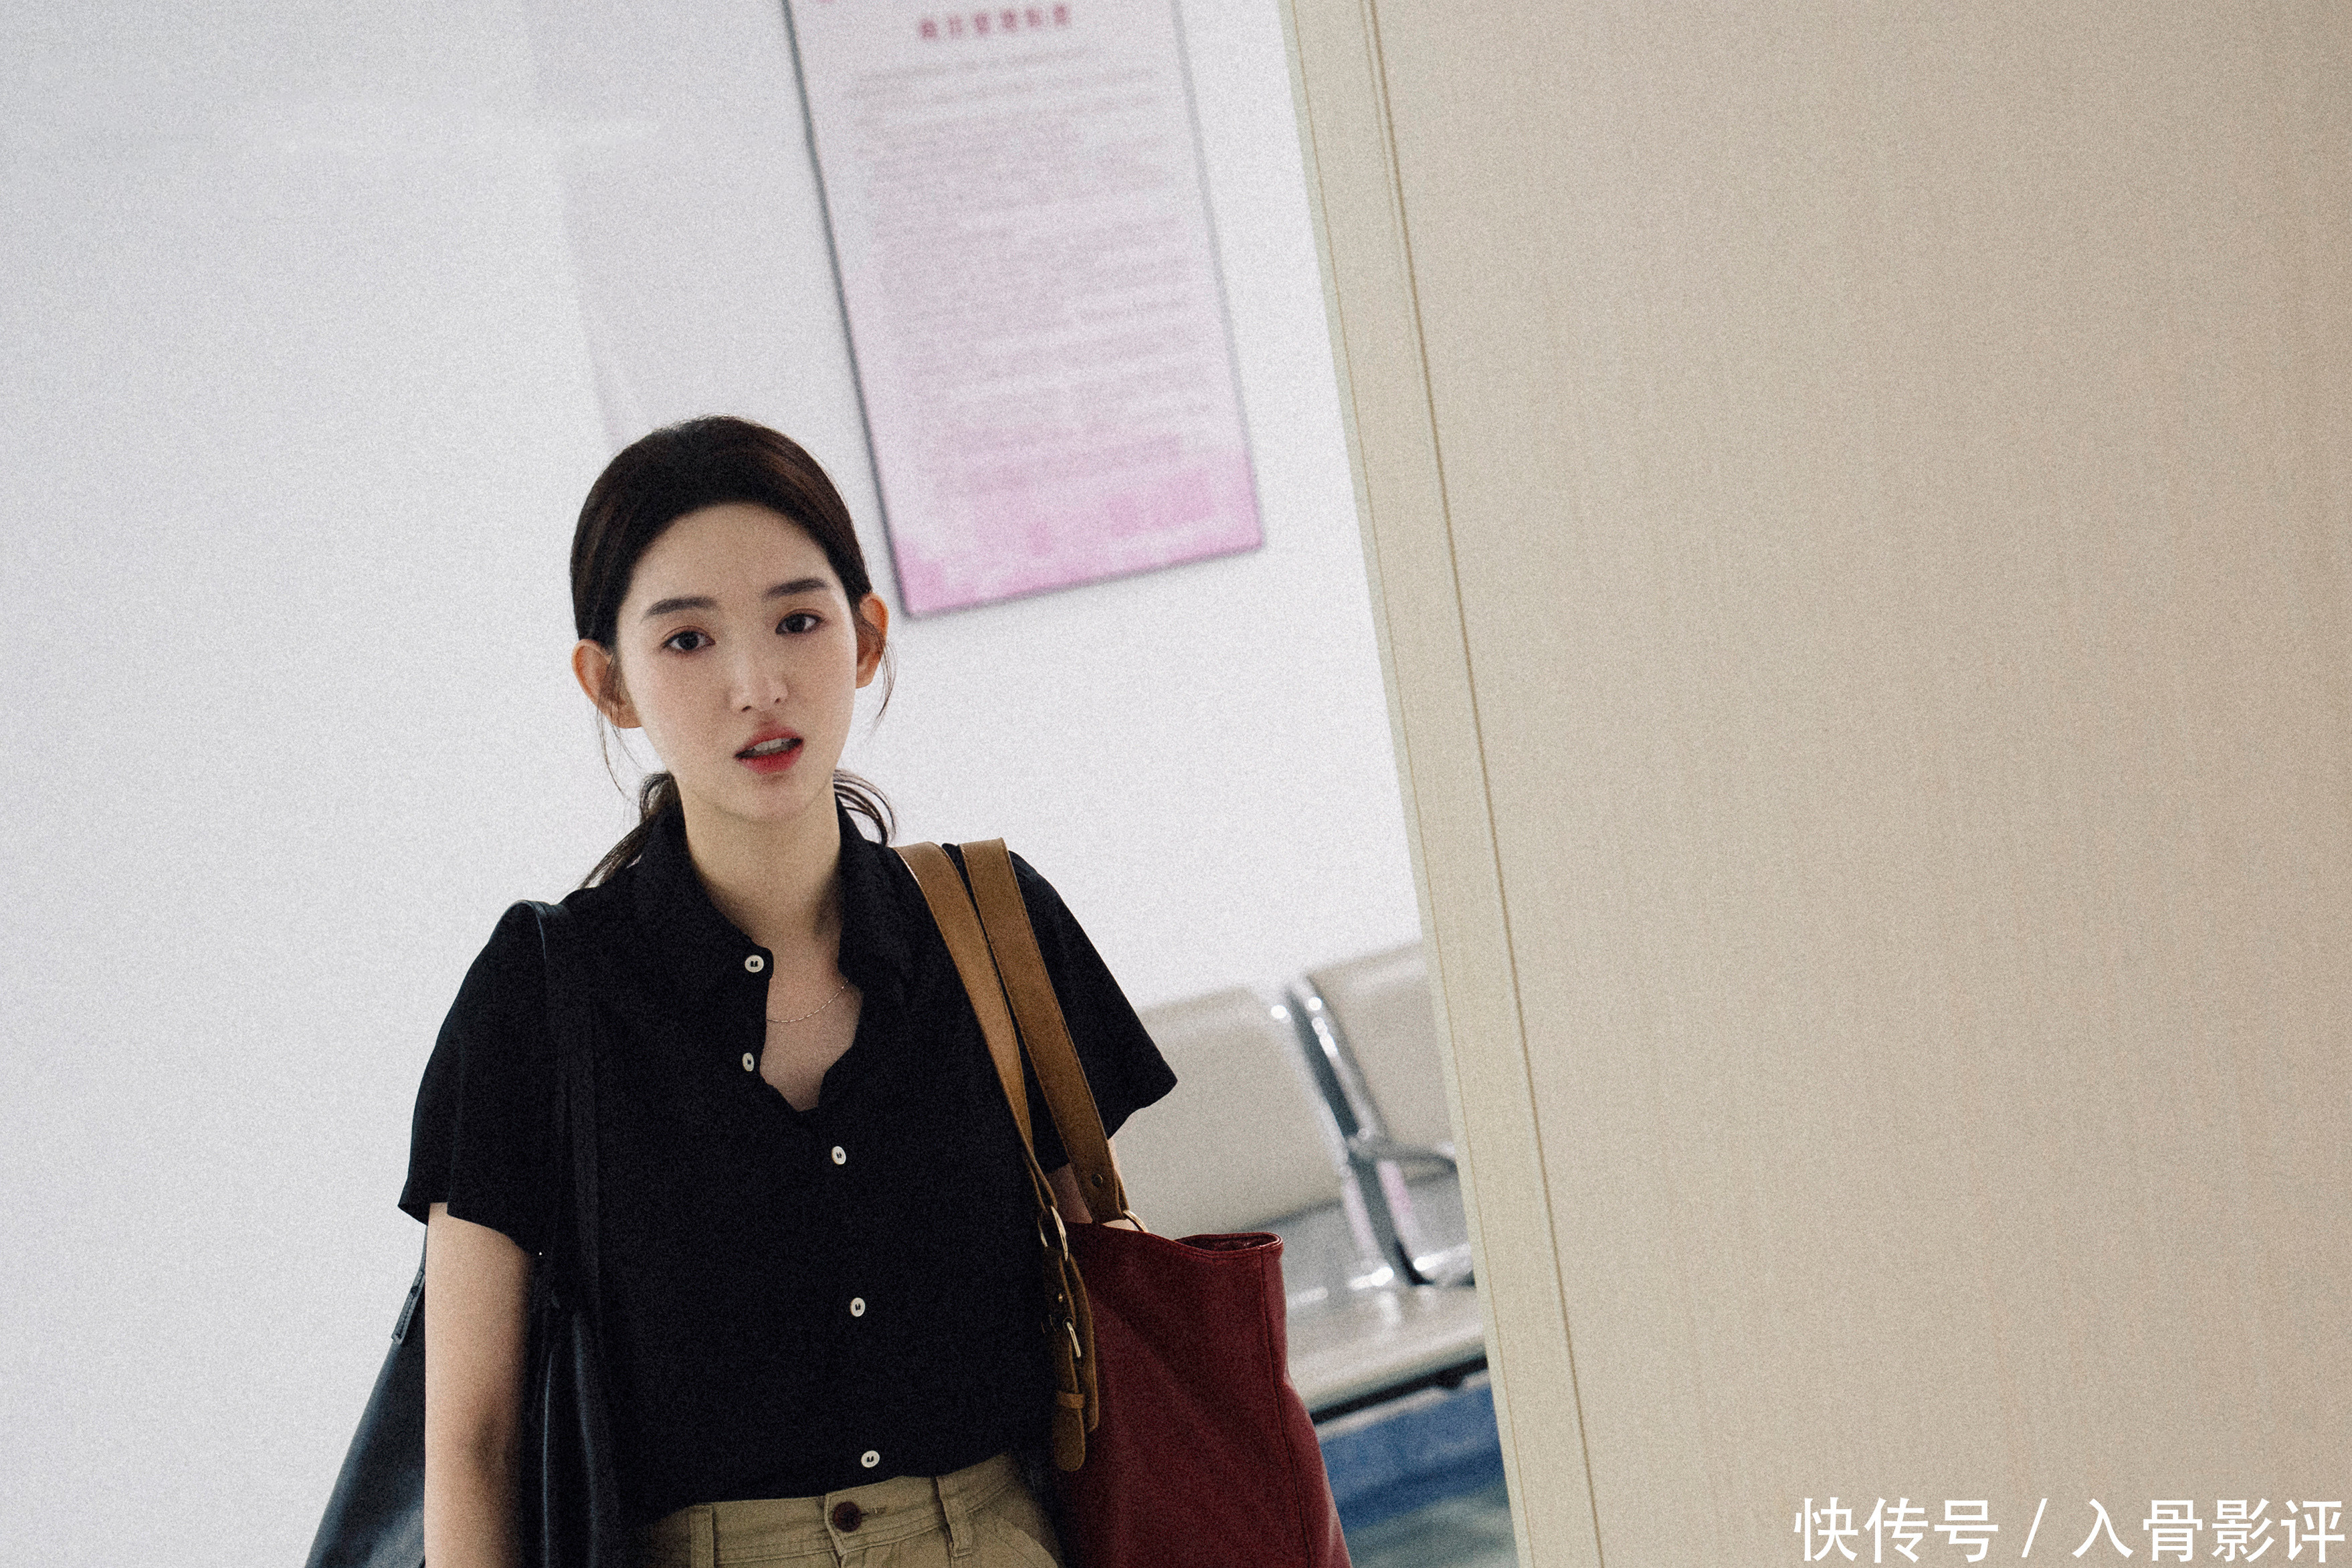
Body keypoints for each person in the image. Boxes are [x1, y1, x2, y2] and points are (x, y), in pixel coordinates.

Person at [400, 415, 1177, 1568]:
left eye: (798, 621)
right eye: (687, 640)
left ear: (865, 638)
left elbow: (1120, 1309)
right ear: (608, 683)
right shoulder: (541, 996)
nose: (757, 685)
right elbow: (472, 1442)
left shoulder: (997, 927)